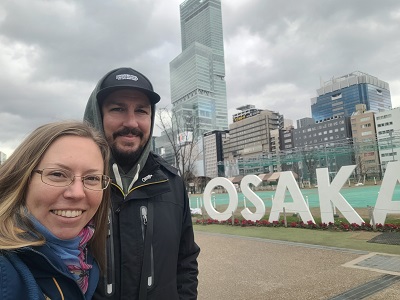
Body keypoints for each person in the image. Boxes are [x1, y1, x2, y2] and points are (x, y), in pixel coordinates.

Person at [84, 67, 200, 299]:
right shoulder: (74, 181)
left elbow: (185, 260)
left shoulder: (172, 182)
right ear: (97, 115)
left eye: (141, 111)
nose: (132, 123)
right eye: (118, 109)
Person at [0, 121, 111, 299]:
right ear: (23, 178)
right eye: (58, 174)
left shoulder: (87, 259)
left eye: (91, 178)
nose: (77, 193)